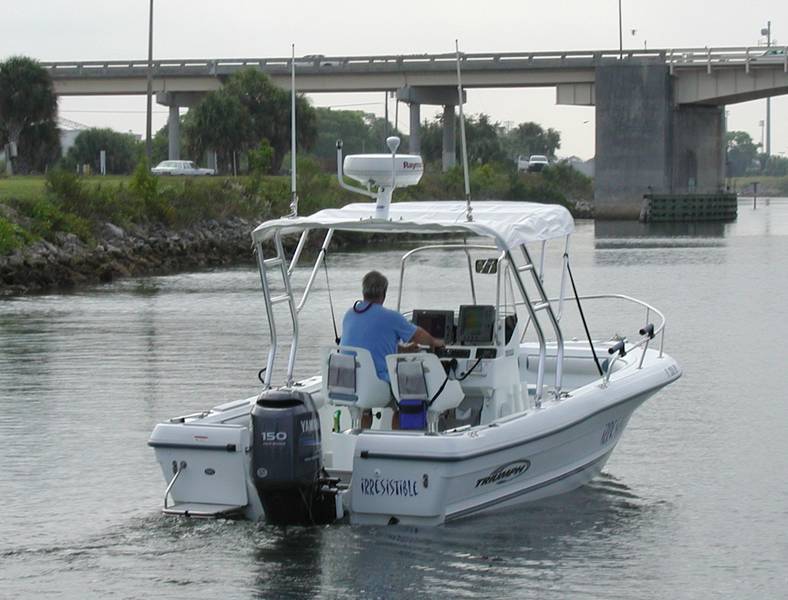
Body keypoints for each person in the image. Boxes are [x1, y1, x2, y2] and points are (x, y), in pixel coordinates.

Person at [341, 270, 444, 428]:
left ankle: (359, 439)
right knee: (406, 394)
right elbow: (420, 337)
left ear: (363, 292)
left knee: (365, 408)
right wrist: (436, 342)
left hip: (351, 382)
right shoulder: (390, 317)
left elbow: (371, 346)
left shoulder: (350, 314)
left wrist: (401, 350)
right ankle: (397, 439)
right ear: (383, 294)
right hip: (375, 383)